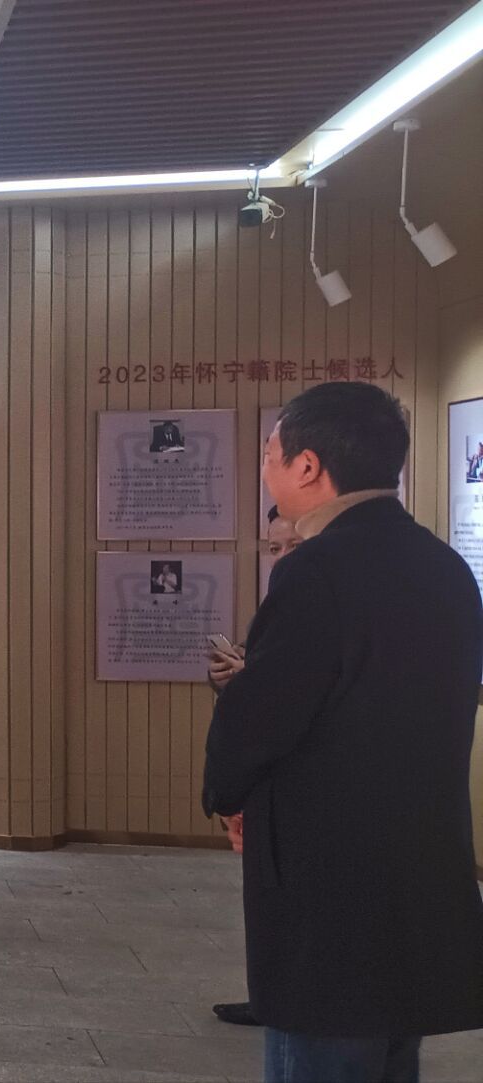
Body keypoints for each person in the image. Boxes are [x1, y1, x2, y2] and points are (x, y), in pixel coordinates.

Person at [203, 381, 483, 1083]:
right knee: (390, 1055)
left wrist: (230, 795)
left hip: (329, 881)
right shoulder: (445, 567)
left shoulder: (317, 569)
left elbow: (265, 713)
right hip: (418, 871)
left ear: (308, 466)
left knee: (321, 1053)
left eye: (270, 453)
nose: (265, 467)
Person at [203, 503, 303, 1031]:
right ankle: (269, 995)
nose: (282, 558)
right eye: (274, 548)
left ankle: (282, 1001)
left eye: (295, 547)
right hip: (262, 785)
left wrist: (252, 680)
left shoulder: (323, 605)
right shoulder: (279, 604)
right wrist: (229, 679)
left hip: (299, 789)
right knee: (265, 903)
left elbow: (296, 702)